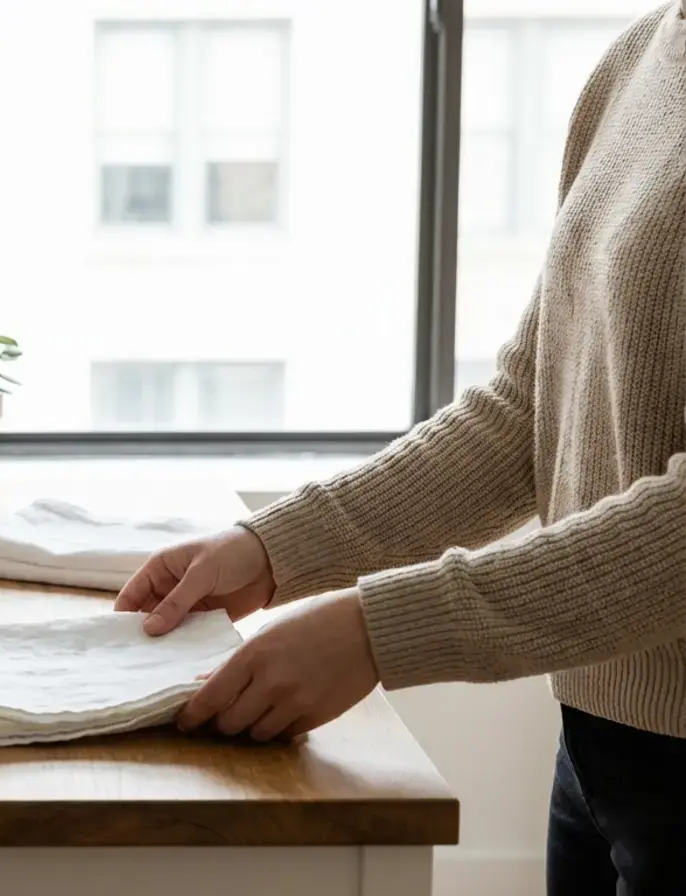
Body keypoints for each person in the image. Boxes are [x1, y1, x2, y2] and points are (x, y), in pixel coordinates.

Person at [115, 6, 686, 892]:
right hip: (599, 748)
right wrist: (278, 548)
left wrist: (381, 631)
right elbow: (527, 408)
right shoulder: (645, 55)